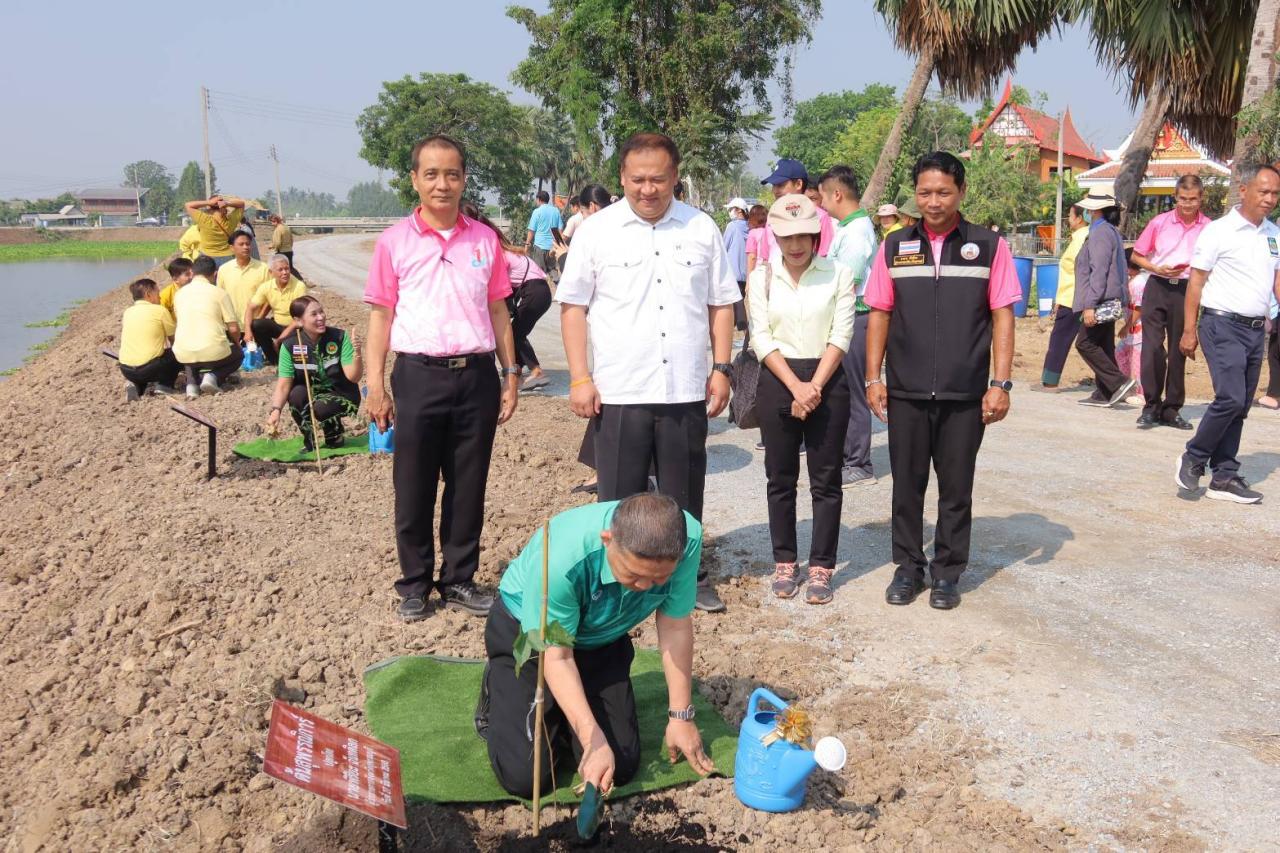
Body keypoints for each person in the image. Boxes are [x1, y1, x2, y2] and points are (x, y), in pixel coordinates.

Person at [558, 131, 740, 614]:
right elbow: (572, 308)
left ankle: (686, 578)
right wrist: (580, 377)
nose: (647, 189)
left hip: (684, 389)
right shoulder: (597, 232)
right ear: (622, 177)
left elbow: (722, 304)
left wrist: (721, 369)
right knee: (616, 497)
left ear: (675, 178)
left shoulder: (701, 228)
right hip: (619, 390)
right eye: (637, 179)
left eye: (658, 179)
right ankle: (614, 584)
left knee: (684, 495)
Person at [364, 134, 520, 622]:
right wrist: (376, 386)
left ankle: (458, 580)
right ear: (414, 179)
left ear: (464, 180)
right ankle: (414, 584)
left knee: (468, 484)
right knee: (412, 483)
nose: (442, 184)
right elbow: (380, 319)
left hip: (475, 377)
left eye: (452, 174)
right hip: (417, 375)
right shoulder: (394, 242)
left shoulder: (483, 240)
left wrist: (510, 373)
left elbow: (498, 310)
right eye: (431, 174)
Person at [477, 494, 714, 798]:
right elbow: (558, 657)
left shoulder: (685, 539)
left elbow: (674, 625)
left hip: (600, 638)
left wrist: (681, 716)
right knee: (526, 778)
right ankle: (499, 681)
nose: (643, 587)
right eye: (633, 574)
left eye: (658, 579)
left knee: (622, 766)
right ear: (607, 540)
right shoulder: (563, 560)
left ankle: (563, 712)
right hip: (534, 640)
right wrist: (592, 741)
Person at [864, 151, 1019, 611]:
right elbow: (879, 313)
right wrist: (874, 376)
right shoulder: (894, 246)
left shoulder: (988, 246)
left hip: (965, 393)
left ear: (962, 192)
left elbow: (1003, 315)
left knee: (956, 488)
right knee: (906, 487)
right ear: (914, 194)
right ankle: (908, 568)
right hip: (907, 391)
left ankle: (948, 573)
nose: (933, 202)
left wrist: (1001, 383)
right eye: (925, 192)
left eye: (943, 192)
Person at [748, 194, 855, 604]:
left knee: (827, 481)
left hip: (829, 378)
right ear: (775, 235)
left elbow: (841, 334)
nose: (796, 245)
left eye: (804, 236)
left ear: (816, 235)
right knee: (780, 477)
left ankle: (822, 566)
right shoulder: (762, 277)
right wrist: (796, 386)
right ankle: (785, 562)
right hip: (779, 377)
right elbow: (760, 336)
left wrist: (814, 386)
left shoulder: (838, 273)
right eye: (787, 237)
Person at [1174, 163, 1280, 505]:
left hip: (1254, 329)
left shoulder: (1273, 234)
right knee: (1231, 397)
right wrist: (1189, 330)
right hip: (1220, 324)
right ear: (1245, 190)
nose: (1269, 199)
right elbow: (1196, 282)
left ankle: (1224, 475)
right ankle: (1194, 456)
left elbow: (1276, 280)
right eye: (1263, 192)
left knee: (1241, 405)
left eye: (1275, 193)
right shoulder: (1218, 231)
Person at [1131, 175, 1210, 429]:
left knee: (1180, 349)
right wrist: (1156, 268)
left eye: (1193, 199)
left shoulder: (1209, 227)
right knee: (1152, 347)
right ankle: (1151, 405)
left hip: (1187, 291)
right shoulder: (1159, 222)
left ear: (1201, 199)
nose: (1187, 204)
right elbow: (1137, 255)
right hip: (1157, 286)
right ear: (1175, 197)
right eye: (1183, 199)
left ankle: (1172, 408)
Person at [818, 165, 879, 488]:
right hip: (847, 317)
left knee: (855, 391)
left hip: (856, 317)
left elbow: (847, 280)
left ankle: (859, 462)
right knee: (841, 389)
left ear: (837, 194)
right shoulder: (847, 227)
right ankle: (847, 457)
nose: (822, 204)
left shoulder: (856, 233)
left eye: (824, 197)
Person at [464, 202, 554, 393]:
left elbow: (500, 287)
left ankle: (536, 371)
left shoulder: (497, 252)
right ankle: (519, 369)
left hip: (534, 291)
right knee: (516, 332)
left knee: (513, 334)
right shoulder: (499, 247)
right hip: (538, 290)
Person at [265, 295, 363, 451]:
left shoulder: (338, 337)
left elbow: (354, 376)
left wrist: (357, 354)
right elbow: (284, 384)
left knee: (321, 407)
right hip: (311, 391)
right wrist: (276, 410)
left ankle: (334, 434)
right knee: (296, 395)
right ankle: (310, 439)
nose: (321, 317)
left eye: (321, 312)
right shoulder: (290, 345)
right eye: (314, 314)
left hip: (341, 394)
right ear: (298, 321)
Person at [1073, 191, 1136, 407]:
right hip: (1110, 298)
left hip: (1101, 300)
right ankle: (1105, 392)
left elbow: (1098, 271)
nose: (1088, 212)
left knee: (1085, 343)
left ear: (1096, 210)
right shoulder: (1110, 232)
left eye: (1090, 209)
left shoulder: (1100, 234)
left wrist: (1090, 305)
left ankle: (1118, 382)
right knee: (1105, 345)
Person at [1035, 203, 1090, 390]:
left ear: (1079, 218)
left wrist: (1061, 300)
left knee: (1059, 339)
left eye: (1070, 215)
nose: (1068, 220)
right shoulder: (1081, 237)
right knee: (1093, 343)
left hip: (1073, 297)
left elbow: (1076, 271)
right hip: (1073, 296)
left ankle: (1050, 381)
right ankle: (1113, 381)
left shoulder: (1083, 238)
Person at [172, 255, 242, 398]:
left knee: (189, 345)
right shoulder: (220, 293)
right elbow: (233, 328)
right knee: (238, 355)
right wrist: (237, 343)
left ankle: (191, 385)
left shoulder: (179, 294)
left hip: (182, 353)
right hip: (213, 353)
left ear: (192, 272)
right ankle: (213, 376)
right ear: (215, 274)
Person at [118, 278, 179, 401]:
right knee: (177, 352)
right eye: (157, 292)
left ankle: (136, 385)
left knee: (144, 359)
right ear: (148, 294)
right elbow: (174, 340)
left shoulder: (128, 312)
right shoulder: (160, 310)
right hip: (150, 369)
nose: (160, 296)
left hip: (126, 369)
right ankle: (164, 385)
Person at [758, 158, 833, 258]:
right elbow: (765, 258)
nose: (775, 191)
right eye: (774, 186)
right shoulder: (772, 217)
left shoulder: (819, 217)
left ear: (798, 184)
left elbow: (824, 256)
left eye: (780, 185)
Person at [244, 254, 308, 365]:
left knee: (293, 351)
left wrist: (279, 340)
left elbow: (299, 319)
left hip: (296, 328)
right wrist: (248, 332)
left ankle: (287, 355)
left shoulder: (299, 286)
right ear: (271, 272)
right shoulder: (266, 287)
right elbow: (250, 308)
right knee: (256, 324)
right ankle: (274, 359)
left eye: (287, 268)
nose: (285, 272)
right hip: (278, 324)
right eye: (280, 270)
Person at [216, 231, 273, 333]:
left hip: (256, 326)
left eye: (248, 244)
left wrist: (258, 320)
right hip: (232, 328)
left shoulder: (263, 268)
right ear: (232, 248)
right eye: (241, 244)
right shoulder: (224, 269)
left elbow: (270, 298)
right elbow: (220, 298)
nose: (246, 247)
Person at [1114, 254, 1148, 403]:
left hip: (1138, 331)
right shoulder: (1132, 281)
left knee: (1137, 363)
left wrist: (1127, 327)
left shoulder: (1139, 283)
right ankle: (1127, 387)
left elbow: (1139, 308)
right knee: (1121, 354)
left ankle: (1141, 394)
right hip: (1132, 331)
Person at [183, 195, 247, 267]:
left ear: (210, 207)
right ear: (223, 207)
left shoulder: (204, 219)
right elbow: (242, 204)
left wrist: (209, 202)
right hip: (227, 258)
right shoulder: (231, 220)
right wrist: (226, 203)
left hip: (207, 257)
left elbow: (188, 205)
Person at [723, 197, 751, 334]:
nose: (730, 212)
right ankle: (744, 329)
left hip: (732, 273)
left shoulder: (732, 227)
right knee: (740, 300)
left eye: (731, 209)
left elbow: (723, 247)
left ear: (739, 210)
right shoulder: (750, 226)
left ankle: (739, 328)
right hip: (747, 273)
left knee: (732, 302)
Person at [524, 190, 564, 274]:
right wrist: (560, 245)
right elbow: (560, 229)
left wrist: (527, 245)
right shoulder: (556, 211)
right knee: (553, 271)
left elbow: (531, 230)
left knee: (539, 274)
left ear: (539, 199)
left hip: (540, 247)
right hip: (552, 247)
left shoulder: (537, 212)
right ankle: (558, 286)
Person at [269, 214, 303, 280]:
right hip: (289, 251)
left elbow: (277, 243)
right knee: (290, 268)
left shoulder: (278, 230)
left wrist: (273, 247)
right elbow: (291, 239)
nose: (272, 224)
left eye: (272, 222)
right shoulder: (286, 228)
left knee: (280, 268)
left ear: (275, 221)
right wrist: (289, 247)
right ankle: (300, 280)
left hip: (281, 252)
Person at [744, 204, 768, 276]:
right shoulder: (770, 231)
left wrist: (748, 281)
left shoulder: (753, 234)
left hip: (758, 272)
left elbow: (752, 257)